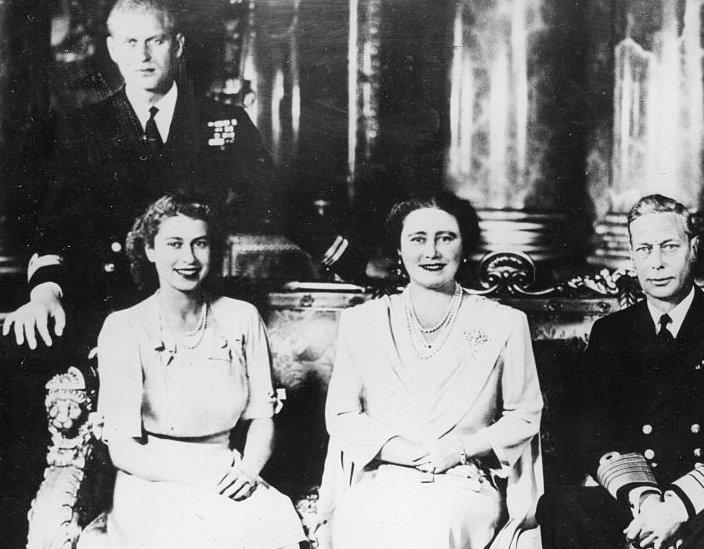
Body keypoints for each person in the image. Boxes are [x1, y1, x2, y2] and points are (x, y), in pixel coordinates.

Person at [2, 0, 364, 355]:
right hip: (109, 307)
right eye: (131, 42)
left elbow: (279, 203)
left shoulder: (224, 123)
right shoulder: (81, 129)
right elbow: (57, 224)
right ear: (113, 50)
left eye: (155, 40)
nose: (143, 55)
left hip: (195, 307)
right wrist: (46, 289)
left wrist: (350, 260)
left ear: (177, 45)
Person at [536, 194, 704, 549]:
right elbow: (595, 432)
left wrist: (676, 507)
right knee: (565, 506)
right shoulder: (611, 332)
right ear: (632, 255)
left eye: (669, 247)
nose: (657, 263)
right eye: (645, 249)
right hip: (640, 497)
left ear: (692, 249)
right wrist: (647, 502)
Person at [316, 192, 544, 549]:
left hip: (463, 479)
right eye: (418, 239)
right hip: (383, 474)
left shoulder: (505, 323)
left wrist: (461, 450)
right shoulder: (363, 322)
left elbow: (525, 415)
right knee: (360, 521)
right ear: (399, 250)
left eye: (445, 238)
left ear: (464, 246)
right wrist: (404, 451)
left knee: (434, 526)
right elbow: (343, 415)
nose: (432, 252)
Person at [80, 193, 306, 548]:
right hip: (151, 479)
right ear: (150, 250)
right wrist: (203, 480)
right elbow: (123, 451)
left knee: (265, 528)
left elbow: (263, 419)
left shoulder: (242, 317)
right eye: (174, 244)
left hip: (230, 471)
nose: (188, 258)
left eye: (199, 244)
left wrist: (247, 472)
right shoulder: (125, 327)